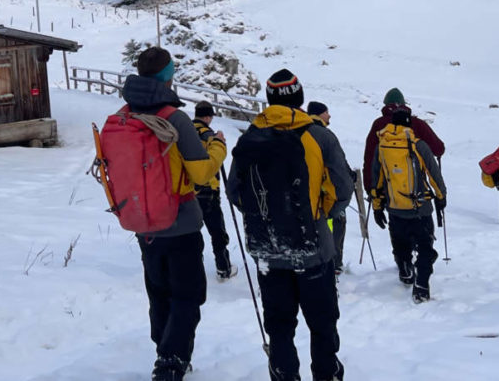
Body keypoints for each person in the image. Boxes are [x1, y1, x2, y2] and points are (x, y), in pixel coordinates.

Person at [227, 69, 353, 381]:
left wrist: (265, 216)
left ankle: (284, 373)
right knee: (322, 320)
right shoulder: (319, 135)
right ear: (300, 98)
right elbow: (342, 189)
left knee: (279, 323)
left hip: (267, 248)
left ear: (269, 99)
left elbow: (235, 192)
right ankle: (326, 373)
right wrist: (319, 215)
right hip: (314, 247)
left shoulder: (250, 137)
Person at [121, 47, 226, 381]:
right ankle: (172, 361)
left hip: (143, 222)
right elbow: (201, 173)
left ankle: (164, 350)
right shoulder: (174, 118)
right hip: (180, 222)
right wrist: (219, 146)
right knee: (187, 294)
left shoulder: (126, 114)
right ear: (167, 76)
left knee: (159, 291)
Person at [370, 109, 446, 303]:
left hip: (394, 206)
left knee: (401, 243)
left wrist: (377, 206)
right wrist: (441, 196)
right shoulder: (418, 145)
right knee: (425, 247)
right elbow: (433, 173)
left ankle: (405, 270)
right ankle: (421, 285)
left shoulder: (382, 146)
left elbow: (377, 178)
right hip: (419, 208)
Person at [363, 87, 444, 199]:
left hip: (389, 191)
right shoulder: (416, 123)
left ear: (386, 105)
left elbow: (370, 158)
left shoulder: (379, 124)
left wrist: (370, 189)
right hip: (417, 191)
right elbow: (439, 149)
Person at [192, 100, 235, 281]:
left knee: (192, 231)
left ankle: (194, 267)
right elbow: (215, 160)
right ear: (208, 116)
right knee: (217, 231)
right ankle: (223, 267)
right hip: (208, 190)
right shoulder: (209, 136)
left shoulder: (186, 132)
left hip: (189, 190)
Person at [308, 101, 347, 276]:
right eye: (326, 112)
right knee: (335, 223)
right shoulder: (325, 135)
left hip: (303, 197)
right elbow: (337, 169)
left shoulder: (298, 132)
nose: (329, 115)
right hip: (324, 197)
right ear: (320, 114)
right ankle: (334, 263)